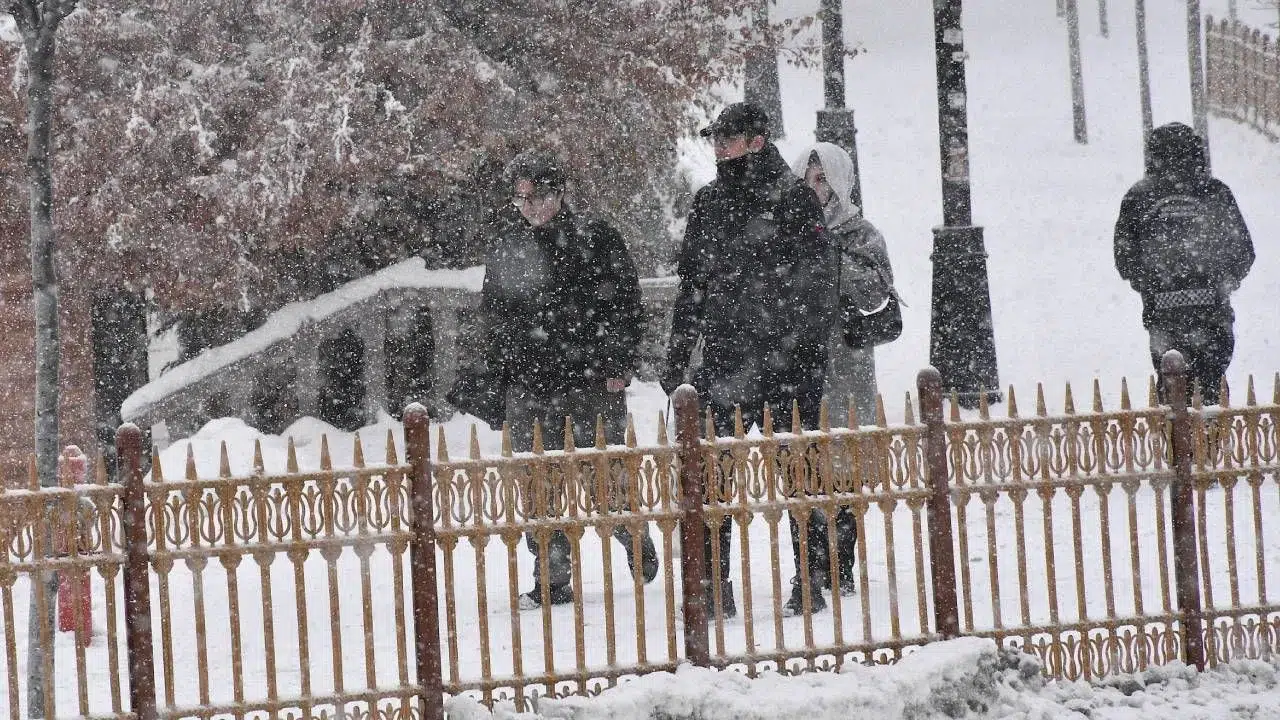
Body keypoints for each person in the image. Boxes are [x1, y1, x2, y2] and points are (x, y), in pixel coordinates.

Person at [454, 152, 659, 609]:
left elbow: (624, 302)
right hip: (531, 379)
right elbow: (495, 312)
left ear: (560, 193)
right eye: (520, 197)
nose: (528, 206)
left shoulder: (594, 237)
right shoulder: (509, 245)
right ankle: (552, 576)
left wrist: (617, 361)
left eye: (537, 196)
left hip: (588, 379)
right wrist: (502, 367)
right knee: (537, 485)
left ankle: (634, 539)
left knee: (604, 474)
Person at [661, 102, 836, 618]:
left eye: (728, 138)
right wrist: (678, 356)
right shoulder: (711, 202)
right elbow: (692, 286)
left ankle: (809, 579)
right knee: (714, 480)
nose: (718, 147)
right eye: (715, 138)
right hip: (726, 359)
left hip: (786, 365)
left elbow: (818, 285)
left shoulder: (795, 200)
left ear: (756, 140)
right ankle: (716, 585)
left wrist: (799, 348)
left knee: (798, 476)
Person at [788, 141, 900, 599]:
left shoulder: (861, 234)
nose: (815, 189)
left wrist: (833, 259)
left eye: (822, 180)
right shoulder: (786, 231)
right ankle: (807, 569)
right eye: (808, 180)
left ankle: (840, 562)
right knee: (802, 468)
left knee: (843, 468)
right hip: (796, 363)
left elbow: (877, 293)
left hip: (844, 367)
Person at [1113, 122, 1253, 405]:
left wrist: (1151, 284)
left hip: (1163, 316)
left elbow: (1125, 257)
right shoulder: (1215, 193)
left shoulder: (1139, 197)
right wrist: (1222, 281)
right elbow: (1243, 251)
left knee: (1173, 390)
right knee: (1212, 388)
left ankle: (1178, 445)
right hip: (1212, 314)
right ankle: (1214, 441)